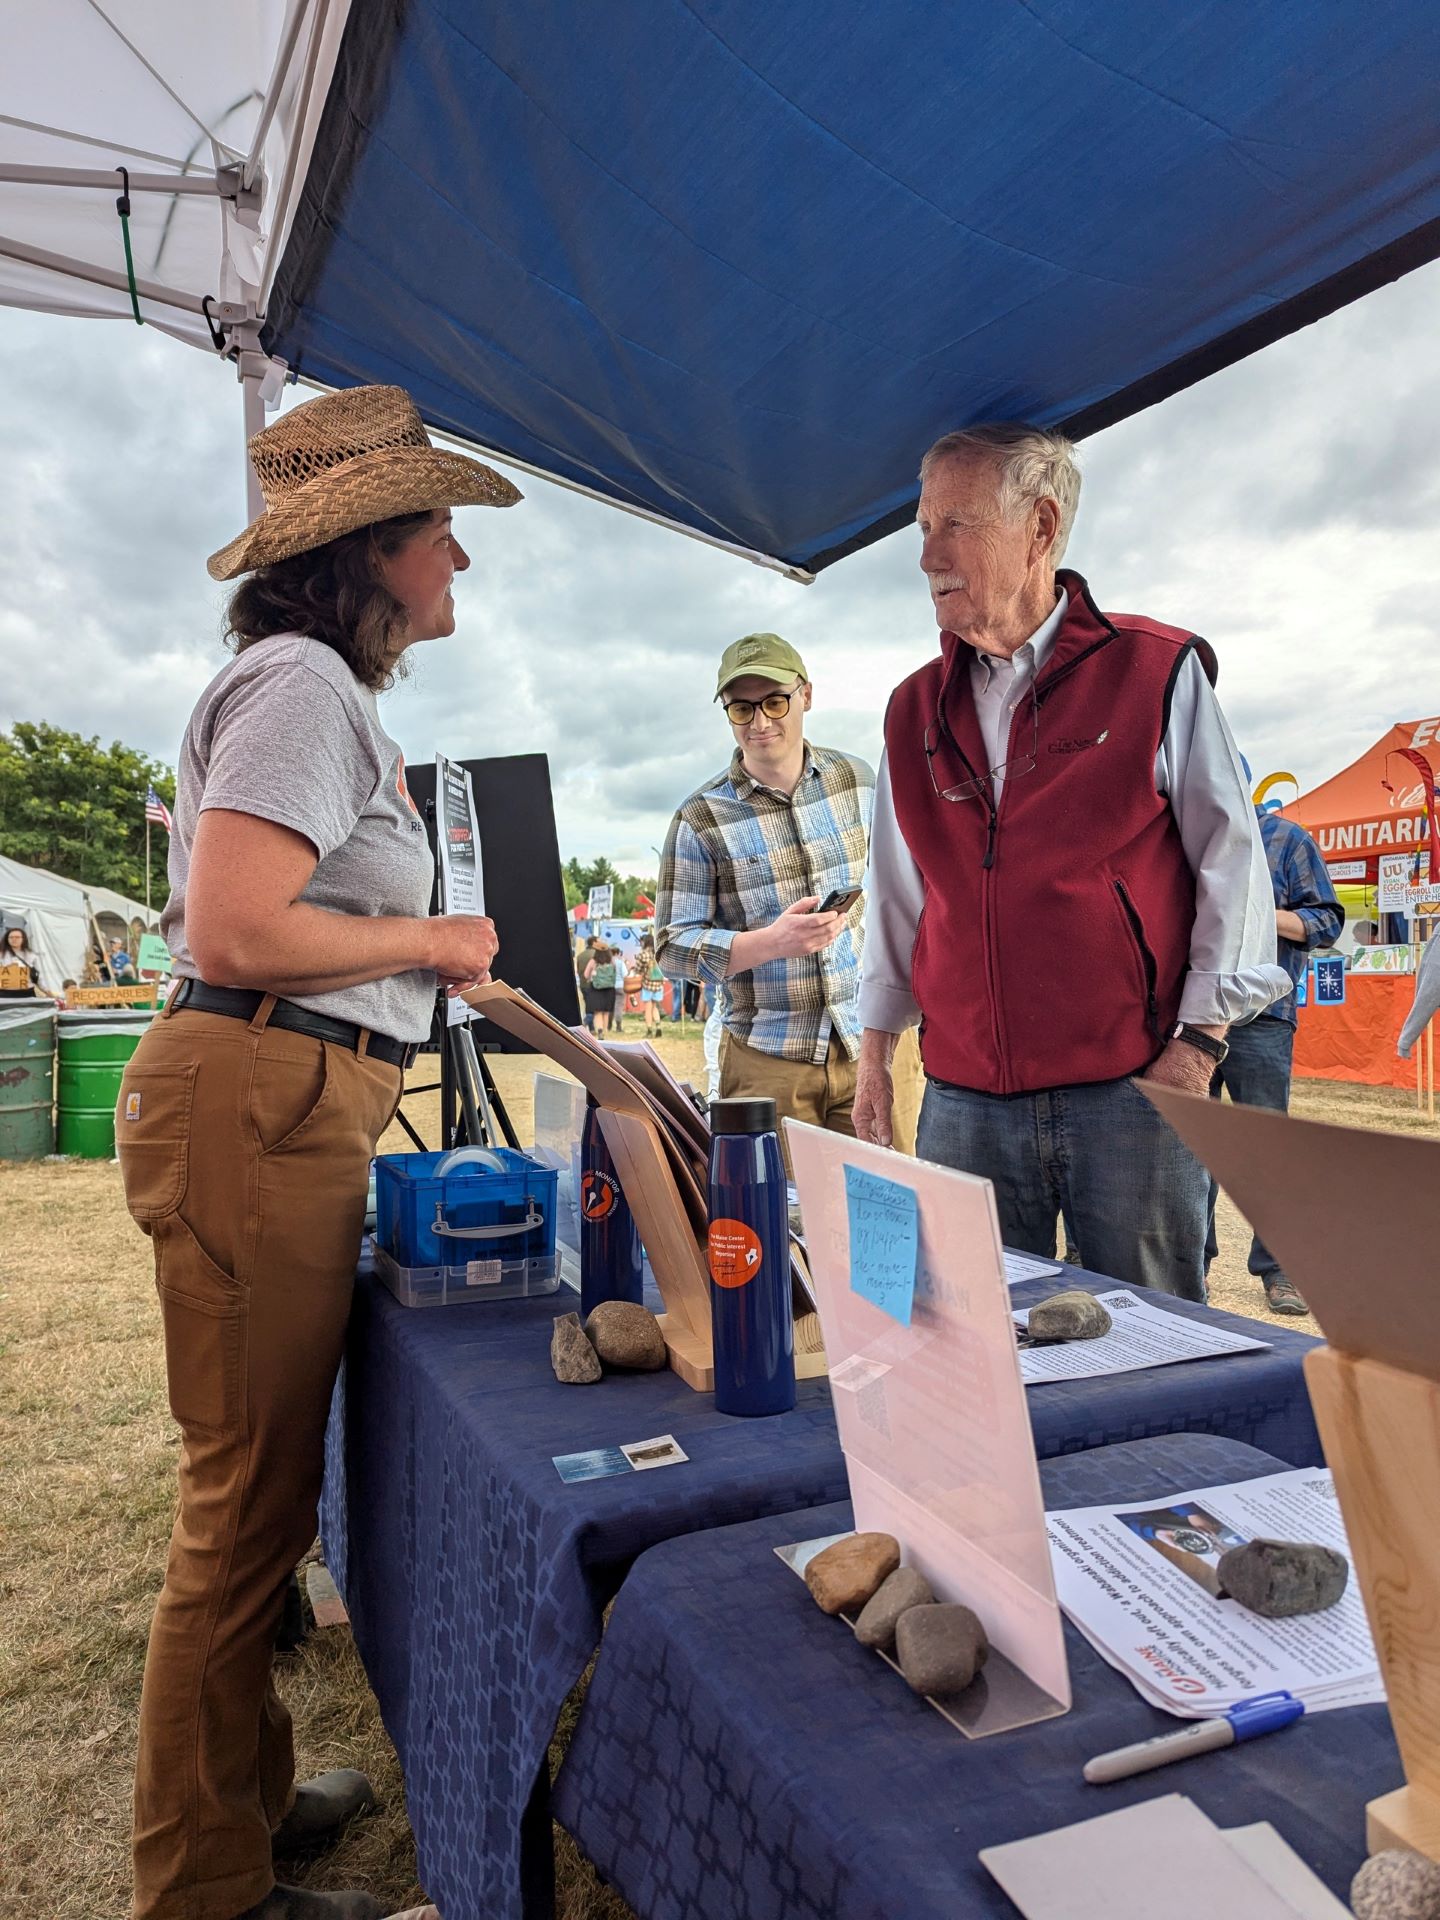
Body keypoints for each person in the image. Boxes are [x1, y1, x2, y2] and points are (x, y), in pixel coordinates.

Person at [114, 383, 518, 1920]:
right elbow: (233, 925)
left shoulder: (304, 687)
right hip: (263, 1096)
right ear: (370, 550)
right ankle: (204, 1889)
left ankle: (250, 1804)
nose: (458, 565)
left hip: (280, 1098)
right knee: (240, 1514)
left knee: (262, 1500)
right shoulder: (303, 686)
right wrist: (434, 936)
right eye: (439, 534)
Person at [855, 423, 1286, 1300]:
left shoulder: (1155, 669)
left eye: (956, 525)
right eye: (923, 526)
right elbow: (899, 898)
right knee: (966, 1339)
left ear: (1042, 527)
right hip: (963, 1099)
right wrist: (874, 1058)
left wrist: (1197, 1049)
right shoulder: (910, 712)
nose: (928, 554)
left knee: (1155, 1347)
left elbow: (1233, 867)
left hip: (1130, 1093)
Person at [655, 633, 874, 1139]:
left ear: (807, 695)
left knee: (883, 1214)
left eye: (776, 702)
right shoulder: (700, 817)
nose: (760, 722)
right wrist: (769, 943)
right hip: (766, 1058)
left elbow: (899, 898)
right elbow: (670, 947)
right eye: (741, 709)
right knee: (779, 1216)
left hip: (871, 1046)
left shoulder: (858, 780)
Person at [1205, 785, 1343, 1316]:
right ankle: (1192, 1264)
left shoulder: (1285, 839)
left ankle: (1281, 1270)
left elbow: (1326, 923)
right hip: (1193, 1016)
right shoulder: (1190, 837)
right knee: (1190, 1146)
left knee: (1266, 1149)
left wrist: (1262, 908)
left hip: (1263, 1018)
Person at [584, 941, 617, 1033]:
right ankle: (605, 1031)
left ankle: (599, 1030)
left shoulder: (593, 961)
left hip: (596, 989)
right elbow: (615, 973)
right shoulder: (611, 961)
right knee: (606, 1012)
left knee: (598, 1012)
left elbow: (586, 975)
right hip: (609, 989)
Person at [0, 923, 42, 996]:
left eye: (17, 937)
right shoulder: (1, 955)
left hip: (27, 992)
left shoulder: (31, 955)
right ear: (7, 939)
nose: (14, 939)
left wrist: (48, 992)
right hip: (4, 993)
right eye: (11, 937)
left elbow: (39, 976)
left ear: (23, 939)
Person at [638, 937, 665, 1033]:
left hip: (647, 984)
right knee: (654, 1007)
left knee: (648, 1008)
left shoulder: (643, 954)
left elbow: (638, 970)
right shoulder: (659, 953)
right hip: (658, 984)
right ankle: (658, 1026)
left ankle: (649, 1029)